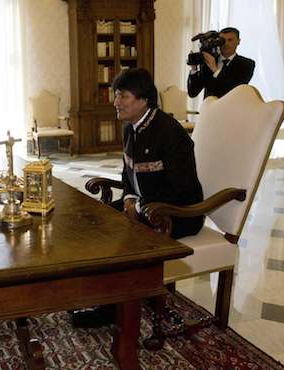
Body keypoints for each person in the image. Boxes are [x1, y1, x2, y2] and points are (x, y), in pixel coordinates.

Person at [72, 68, 204, 328]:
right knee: (93, 221)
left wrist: (140, 207)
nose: (116, 102)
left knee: (121, 237)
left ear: (144, 100)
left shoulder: (170, 133)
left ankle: (112, 309)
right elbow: (127, 175)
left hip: (177, 214)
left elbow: (182, 189)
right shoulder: (130, 128)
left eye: (122, 96)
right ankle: (97, 292)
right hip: (145, 205)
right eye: (115, 95)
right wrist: (130, 198)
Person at [187, 27, 255, 99]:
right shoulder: (208, 61)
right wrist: (193, 69)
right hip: (208, 109)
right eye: (222, 40)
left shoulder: (247, 64)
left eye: (230, 40)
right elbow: (192, 93)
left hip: (231, 108)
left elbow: (234, 91)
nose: (226, 44)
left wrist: (215, 69)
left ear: (238, 41)